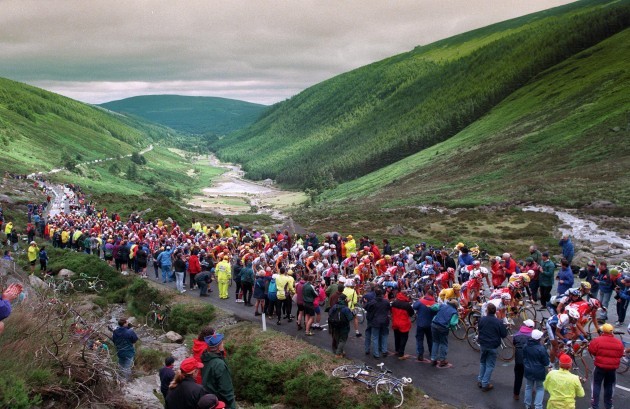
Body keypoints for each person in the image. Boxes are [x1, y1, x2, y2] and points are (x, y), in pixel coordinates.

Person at [588, 323, 625, 409]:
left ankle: (594, 406)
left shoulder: (597, 340)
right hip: (612, 369)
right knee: (609, 386)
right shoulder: (619, 343)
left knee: (596, 385)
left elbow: (592, 350)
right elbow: (620, 354)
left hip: (599, 368)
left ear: (603, 331)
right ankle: (608, 405)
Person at [477, 303, 507, 391]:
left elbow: (479, 329)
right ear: (495, 312)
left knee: (483, 362)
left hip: (483, 344)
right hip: (493, 345)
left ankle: (480, 379)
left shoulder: (482, 320)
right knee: (490, 364)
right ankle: (485, 383)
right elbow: (504, 334)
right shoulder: (498, 322)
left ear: (487, 311)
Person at [201, 333, 236, 409]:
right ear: (219, 347)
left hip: (210, 399)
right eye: (222, 342)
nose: (223, 344)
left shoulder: (205, 358)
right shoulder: (219, 364)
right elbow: (226, 389)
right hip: (220, 402)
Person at [523, 330, 549, 409]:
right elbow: (546, 362)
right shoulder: (541, 349)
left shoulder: (525, 346)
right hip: (539, 371)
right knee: (540, 388)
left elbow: (524, 357)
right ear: (539, 339)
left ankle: (527, 404)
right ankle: (538, 406)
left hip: (528, 369)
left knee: (528, 386)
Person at [429, 298, 459, 368]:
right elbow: (452, 323)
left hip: (434, 324)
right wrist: (453, 328)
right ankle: (442, 360)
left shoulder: (442, 305)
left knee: (435, 342)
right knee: (443, 343)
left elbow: (433, 307)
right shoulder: (454, 312)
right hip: (443, 327)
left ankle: (433, 359)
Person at [512, 319, 535, 400]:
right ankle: (530, 389)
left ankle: (516, 394)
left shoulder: (516, 335)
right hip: (529, 360)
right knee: (530, 376)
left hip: (519, 360)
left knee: (518, 377)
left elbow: (514, 343)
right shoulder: (532, 336)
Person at [365, 288, 391, 358]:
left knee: (375, 337)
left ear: (375, 294)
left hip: (375, 321)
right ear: (382, 294)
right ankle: (384, 351)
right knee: (384, 336)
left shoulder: (372, 302)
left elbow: (366, 307)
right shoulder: (386, 302)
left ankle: (376, 354)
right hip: (385, 321)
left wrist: (366, 302)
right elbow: (389, 309)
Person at [413, 291, 437, 362]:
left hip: (421, 324)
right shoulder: (435, 303)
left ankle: (420, 354)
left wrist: (420, 299)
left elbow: (414, 306)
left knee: (419, 339)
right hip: (430, 324)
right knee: (430, 339)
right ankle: (432, 353)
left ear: (427, 294)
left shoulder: (421, 301)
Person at [327, 293, 354, 358]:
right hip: (344, 326)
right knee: (343, 340)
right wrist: (352, 313)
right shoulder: (345, 309)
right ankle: (338, 353)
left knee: (337, 338)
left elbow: (330, 313)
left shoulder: (334, 306)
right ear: (345, 300)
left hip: (335, 325)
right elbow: (350, 318)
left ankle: (340, 352)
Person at [391, 290, 414, 359]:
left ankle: (397, 350)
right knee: (404, 338)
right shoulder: (407, 305)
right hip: (404, 323)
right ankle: (401, 353)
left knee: (397, 337)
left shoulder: (394, 302)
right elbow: (411, 314)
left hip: (395, 322)